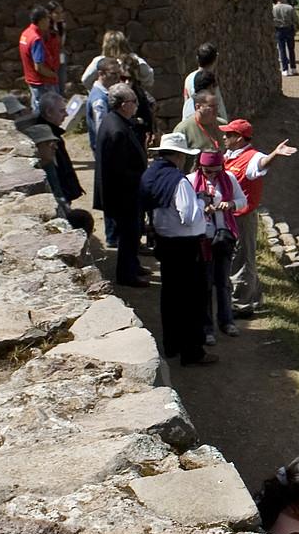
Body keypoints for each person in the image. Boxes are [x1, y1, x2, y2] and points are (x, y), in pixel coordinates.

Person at [141, 131, 213, 367]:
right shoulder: (179, 182)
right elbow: (190, 217)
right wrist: (201, 202)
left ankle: (171, 345)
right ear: (180, 157)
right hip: (185, 246)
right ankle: (192, 351)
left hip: (165, 242)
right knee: (192, 300)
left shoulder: (152, 174)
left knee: (171, 297)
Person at [222, 119, 295, 315]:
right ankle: (253, 298)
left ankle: (241, 305)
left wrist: (274, 154)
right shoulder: (229, 155)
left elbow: (261, 164)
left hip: (242, 217)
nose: (224, 137)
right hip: (230, 215)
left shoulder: (253, 157)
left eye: (228, 134)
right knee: (240, 257)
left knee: (242, 258)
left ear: (238, 138)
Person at [94, 82, 149, 286]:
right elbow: (119, 170)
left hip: (127, 192)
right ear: (124, 104)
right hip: (124, 194)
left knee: (133, 233)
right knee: (128, 234)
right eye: (134, 101)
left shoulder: (118, 122)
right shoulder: (116, 129)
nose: (136, 105)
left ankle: (133, 265)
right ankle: (127, 275)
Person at [192, 146, 246, 340]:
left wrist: (230, 204)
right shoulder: (191, 182)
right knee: (205, 283)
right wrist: (202, 209)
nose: (213, 176)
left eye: (217, 171)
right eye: (208, 172)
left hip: (224, 236)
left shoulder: (229, 179)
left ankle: (227, 321)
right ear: (200, 167)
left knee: (223, 281)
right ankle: (207, 327)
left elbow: (242, 201)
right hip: (202, 238)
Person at [85, 57, 125, 245]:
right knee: (111, 194)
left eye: (119, 74)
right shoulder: (99, 100)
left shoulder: (105, 94)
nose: (117, 78)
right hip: (107, 155)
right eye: (113, 75)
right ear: (101, 74)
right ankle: (112, 236)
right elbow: (103, 130)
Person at [81, 30, 155, 96]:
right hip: (132, 101)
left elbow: (85, 80)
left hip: (109, 101)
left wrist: (100, 91)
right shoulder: (136, 60)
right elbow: (149, 78)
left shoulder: (99, 61)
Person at [18, 3, 62, 111]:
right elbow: (39, 66)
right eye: (47, 18)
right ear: (41, 20)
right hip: (43, 82)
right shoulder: (36, 39)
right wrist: (53, 75)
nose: (49, 21)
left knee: (37, 107)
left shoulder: (26, 33)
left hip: (32, 80)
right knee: (49, 112)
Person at [182, 43, 227, 121]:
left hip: (189, 119)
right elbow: (218, 106)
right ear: (216, 58)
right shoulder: (209, 80)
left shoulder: (188, 78)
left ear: (197, 58)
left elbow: (186, 100)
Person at [176, 81, 223, 156]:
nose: (216, 110)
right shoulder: (183, 129)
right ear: (198, 107)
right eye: (211, 107)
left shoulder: (223, 125)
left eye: (217, 106)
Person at [272, 0, 299, 75]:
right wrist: (297, 28)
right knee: (291, 49)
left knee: (282, 49)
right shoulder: (289, 8)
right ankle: (293, 68)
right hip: (289, 29)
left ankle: (285, 69)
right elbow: (296, 19)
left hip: (279, 30)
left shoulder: (273, 8)